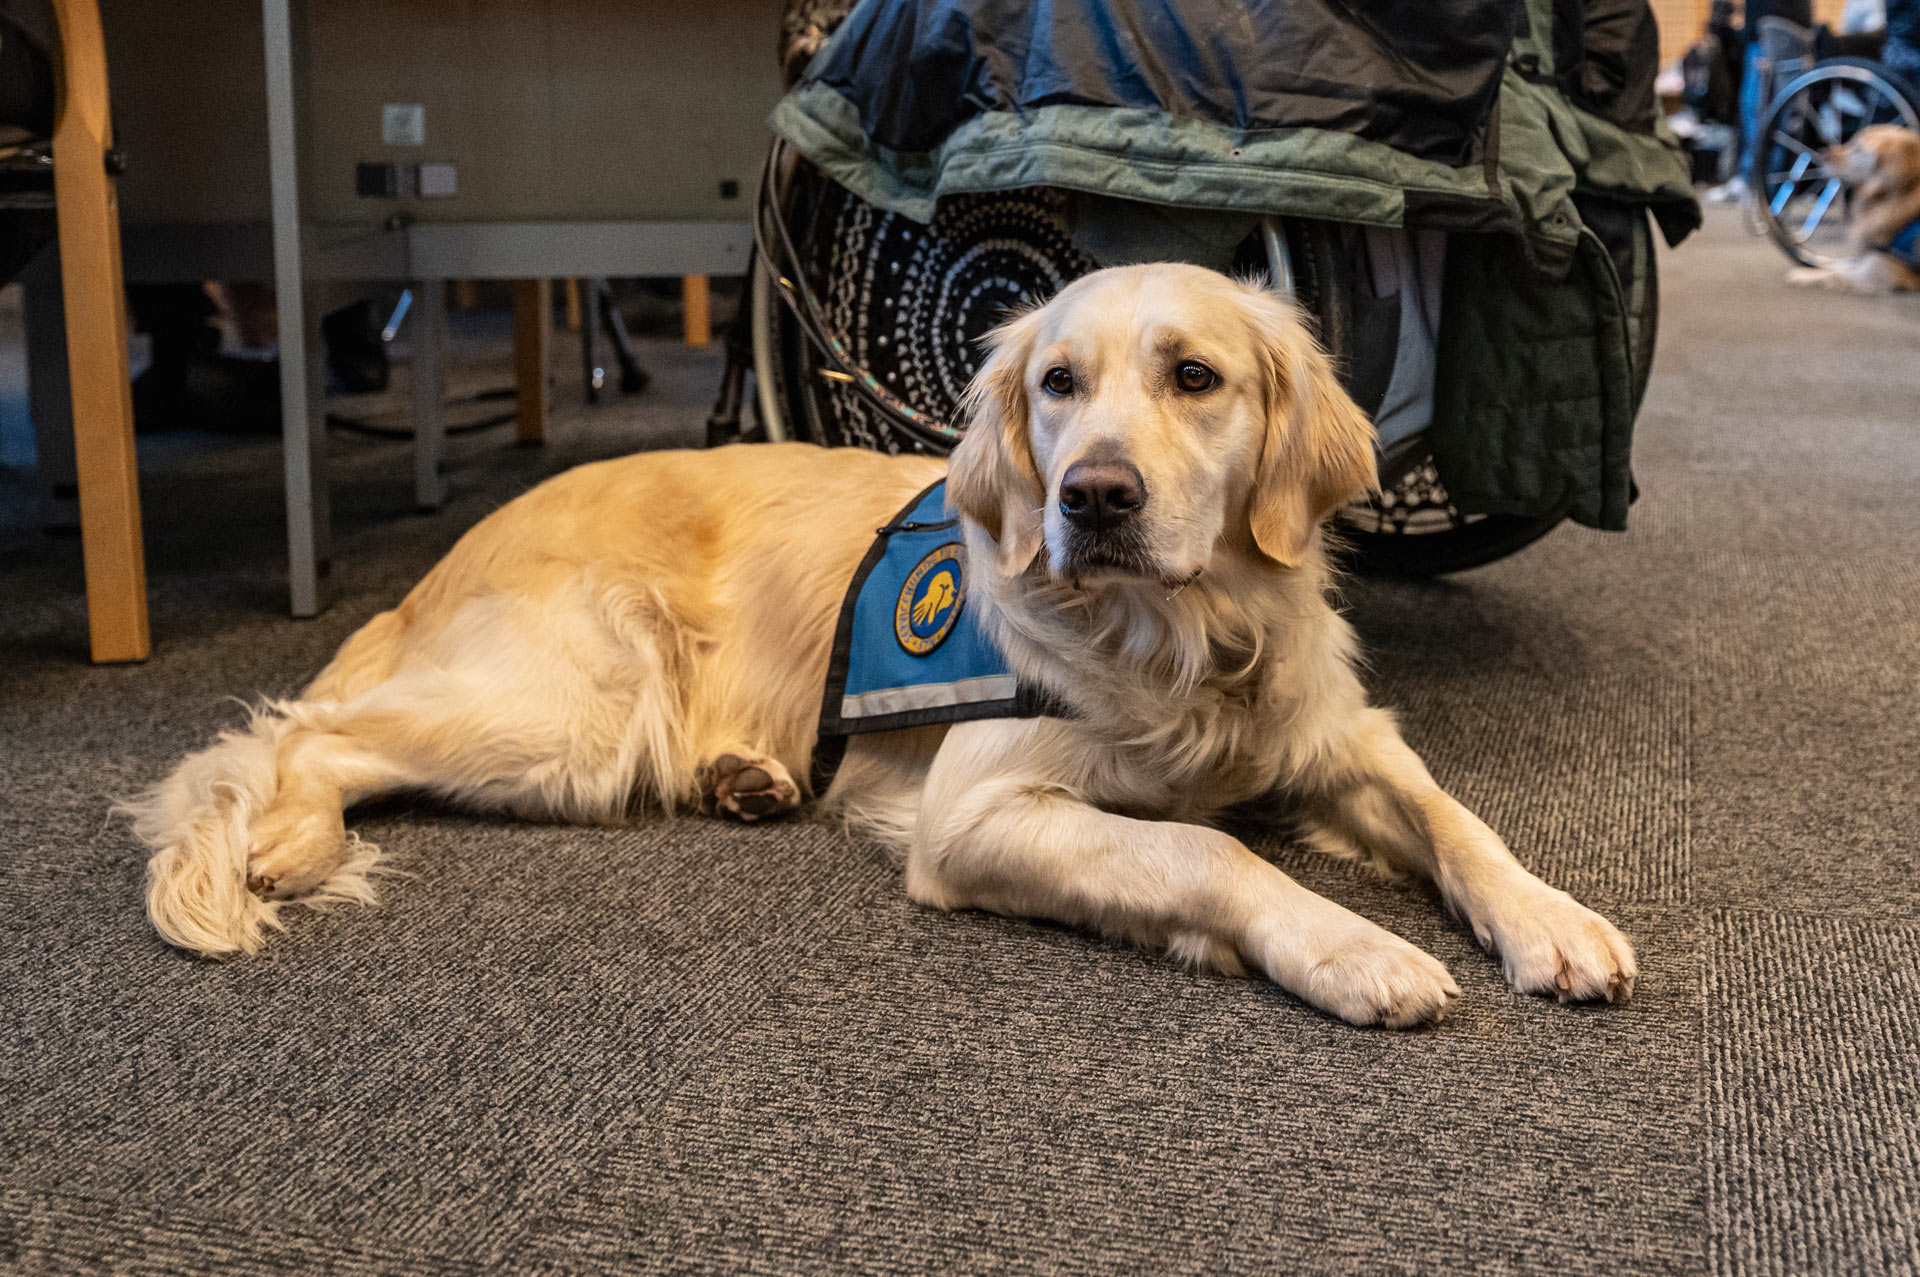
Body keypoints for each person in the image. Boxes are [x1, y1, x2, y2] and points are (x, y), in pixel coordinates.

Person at [1706, 0, 1816, 204]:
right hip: (1777, 27)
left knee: (1757, 110)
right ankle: (1768, 182)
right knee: (1770, 111)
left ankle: (1755, 180)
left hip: (1773, 28)